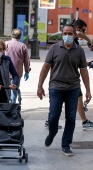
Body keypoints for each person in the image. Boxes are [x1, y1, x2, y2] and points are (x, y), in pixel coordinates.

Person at [37, 24, 91, 156]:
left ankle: (66, 144)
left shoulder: (79, 51)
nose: (67, 36)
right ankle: (52, 132)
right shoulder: (55, 48)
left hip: (73, 88)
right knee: (54, 115)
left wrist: (88, 90)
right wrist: (40, 85)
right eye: (65, 33)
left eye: (70, 33)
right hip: (56, 87)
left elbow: (84, 71)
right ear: (62, 35)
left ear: (74, 35)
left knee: (71, 118)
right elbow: (45, 67)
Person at [45, 19, 93, 130]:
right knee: (61, 100)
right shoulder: (72, 37)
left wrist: (87, 64)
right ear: (78, 28)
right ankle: (51, 120)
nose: (83, 33)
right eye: (84, 30)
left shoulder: (74, 44)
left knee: (76, 99)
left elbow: (76, 62)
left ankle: (84, 120)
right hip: (64, 79)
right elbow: (46, 66)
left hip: (71, 79)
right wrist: (89, 40)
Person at [5, 28, 31, 103]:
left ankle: (6, 105)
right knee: (14, 88)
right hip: (17, 72)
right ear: (20, 37)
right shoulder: (23, 46)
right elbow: (26, 60)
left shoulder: (6, 44)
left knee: (6, 88)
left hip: (6, 71)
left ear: (11, 35)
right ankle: (13, 104)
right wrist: (27, 71)